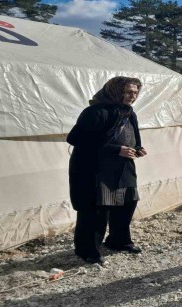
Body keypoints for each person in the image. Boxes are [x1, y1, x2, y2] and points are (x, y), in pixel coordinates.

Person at [67, 77, 146, 265]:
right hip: (94, 168)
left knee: (126, 203)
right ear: (115, 91)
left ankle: (119, 241)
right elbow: (76, 139)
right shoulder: (95, 111)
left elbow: (133, 134)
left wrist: (138, 147)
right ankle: (88, 250)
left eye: (135, 92)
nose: (132, 96)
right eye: (127, 92)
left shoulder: (128, 112)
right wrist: (116, 149)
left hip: (122, 166)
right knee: (95, 209)